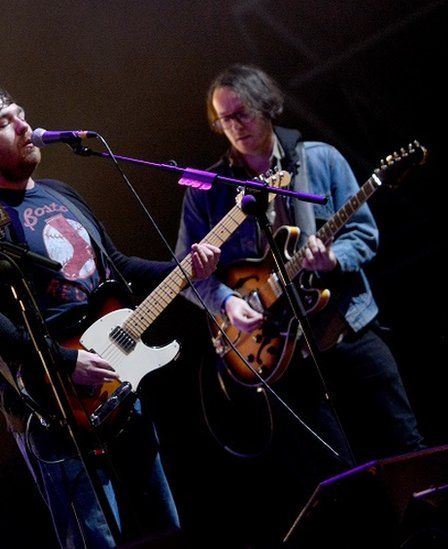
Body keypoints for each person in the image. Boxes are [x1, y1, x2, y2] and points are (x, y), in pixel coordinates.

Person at [0, 88, 221, 547]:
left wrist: (183, 271)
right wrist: (63, 361)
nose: (26, 126)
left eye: (22, 115)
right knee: (93, 536)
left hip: (118, 378)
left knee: (166, 526)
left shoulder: (62, 194)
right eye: (8, 123)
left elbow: (116, 266)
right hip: (54, 402)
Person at [176, 64, 423, 536]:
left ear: (266, 107)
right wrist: (227, 302)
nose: (234, 127)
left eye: (242, 114)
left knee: (404, 446)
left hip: (347, 329)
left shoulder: (319, 160)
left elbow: (365, 233)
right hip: (283, 360)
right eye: (223, 120)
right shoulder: (210, 192)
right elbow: (188, 272)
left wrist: (332, 259)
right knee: (340, 484)